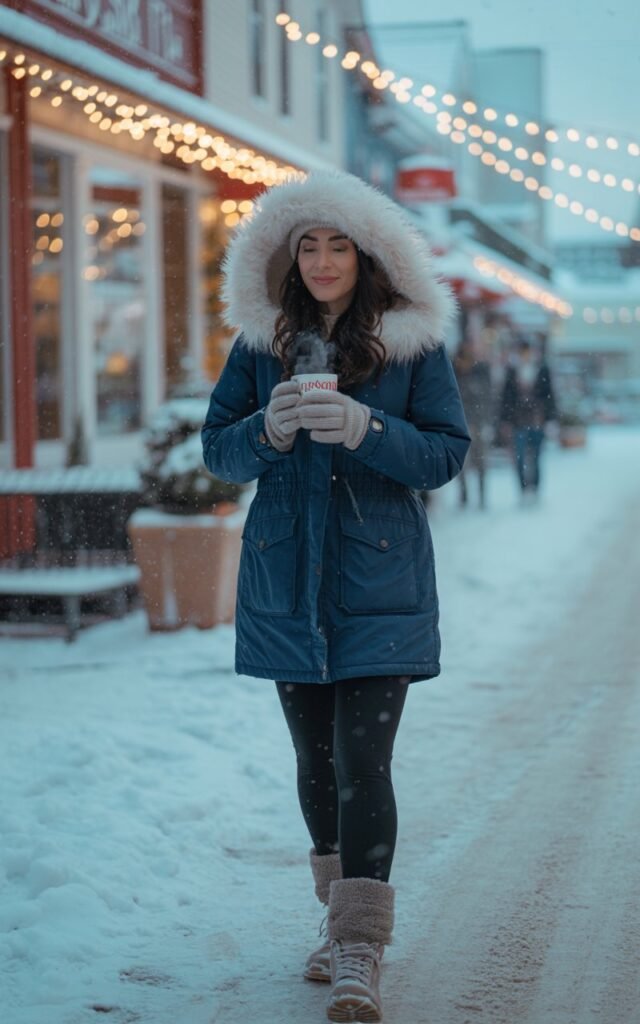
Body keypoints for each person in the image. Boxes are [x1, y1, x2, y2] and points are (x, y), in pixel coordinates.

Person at [201, 170, 470, 1023]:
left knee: (364, 764)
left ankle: (360, 947)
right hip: (286, 580)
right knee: (313, 762)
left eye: (338, 245)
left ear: (369, 254)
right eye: (307, 245)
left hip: (379, 579)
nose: (321, 261)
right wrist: (266, 430)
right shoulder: (259, 345)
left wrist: (369, 428)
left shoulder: (411, 344)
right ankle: (335, 918)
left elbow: (444, 455)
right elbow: (219, 453)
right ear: (284, 255)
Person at [498, 338, 557, 501]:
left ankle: (535, 487)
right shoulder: (512, 370)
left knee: (537, 456)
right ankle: (523, 488)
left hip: (537, 419)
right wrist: (505, 419)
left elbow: (549, 395)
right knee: (520, 457)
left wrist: (551, 418)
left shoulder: (542, 369)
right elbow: (506, 397)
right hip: (518, 420)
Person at [452, 335, 494, 508]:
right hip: (460, 423)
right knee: (461, 463)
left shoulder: (480, 371)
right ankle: (464, 495)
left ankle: (482, 495)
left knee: (480, 461)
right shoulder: (455, 372)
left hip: (477, 421)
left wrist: (485, 420)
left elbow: (486, 397)